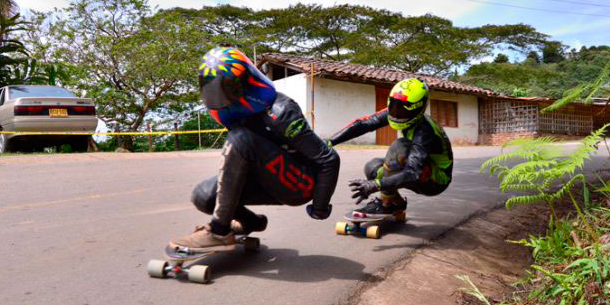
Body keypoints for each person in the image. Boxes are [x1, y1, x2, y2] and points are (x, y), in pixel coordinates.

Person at [170, 46, 340, 252]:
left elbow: (328, 159)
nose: (218, 94)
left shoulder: (281, 111)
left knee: (240, 138)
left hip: (298, 184)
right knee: (203, 196)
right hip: (265, 178)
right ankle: (252, 222)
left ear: (243, 81)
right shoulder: (231, 111)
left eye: (224, 86)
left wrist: (320, 207)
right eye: (212, 87)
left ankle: (218, 231)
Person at [327, 77, 453, 217]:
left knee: (399, 146)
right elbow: (364, 124)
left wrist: (375, 185)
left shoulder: (425, 131)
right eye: (394, 105)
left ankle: (385, 203)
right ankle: (396, 203)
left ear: (420, 109)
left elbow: (412, 173)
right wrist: (329, 142)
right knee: (373, 167)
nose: (396, 113)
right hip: (418, 170)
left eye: (403, 109)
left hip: (436, 181)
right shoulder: (395, 111)